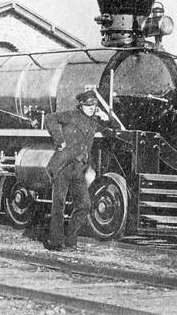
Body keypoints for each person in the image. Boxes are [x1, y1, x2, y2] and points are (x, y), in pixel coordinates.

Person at [42, 90, 110, 251]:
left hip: (78, 169)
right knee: (58, 205)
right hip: (63, 167)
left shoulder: (93, 123)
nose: (91, 108)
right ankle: (55, 242)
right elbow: (49, 118)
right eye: (88, 105)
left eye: (94, 105)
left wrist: (106, 118)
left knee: (84, 205)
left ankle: (71, 241)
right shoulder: (71, 115)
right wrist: (59, 140)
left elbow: (108, 128)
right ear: (81, 105)